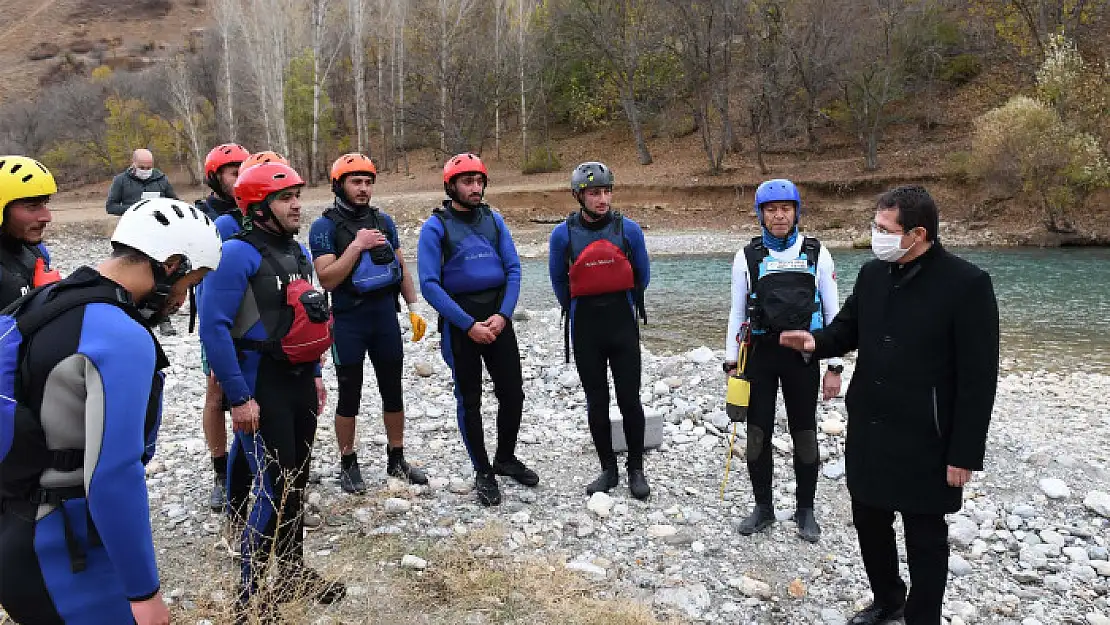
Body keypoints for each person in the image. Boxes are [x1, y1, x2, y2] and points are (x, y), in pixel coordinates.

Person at [778, 185, 999, 625]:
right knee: (870, 521)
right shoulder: (873, 274)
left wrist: (965, 453)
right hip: (871, 425)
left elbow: (979, 379)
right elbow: (847, 329)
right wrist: (815, 342)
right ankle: (888, 601)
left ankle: (921, 618)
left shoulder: (967, 284)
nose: (874, 235)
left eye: (883, 228)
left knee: (925, 537)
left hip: (929, 435)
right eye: (874, 225)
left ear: (917, 234)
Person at [0, 197, 221, 625]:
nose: (182, 299)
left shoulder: (47, 299)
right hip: (61, 550)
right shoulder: (120, 335)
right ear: (171, 264)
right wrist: (145, 593)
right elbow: (114, 476)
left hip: (17, 522)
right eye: (190, 283)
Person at [199, 162, 345, 620]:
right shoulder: (236, 254)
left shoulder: (297, 252)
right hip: (259, 383)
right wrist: (239, 398)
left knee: (297, 480)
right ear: (258, 206)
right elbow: (214, 330)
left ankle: (292, 573)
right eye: (286, 198)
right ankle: (248, 597)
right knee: (269, 486)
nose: (297, 204)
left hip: (298, 381)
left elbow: (309, 317)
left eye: (298, 195)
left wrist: (317, 371)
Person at [722, 178, 844, 543]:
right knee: (756, 435)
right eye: (771, 210)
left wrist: (835, 366)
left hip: (803, 357)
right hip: (759, 356)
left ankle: (805, 510)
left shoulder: (817, 253)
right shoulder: (748, 256)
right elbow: (736, 312)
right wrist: (732, 363)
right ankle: (763, 508)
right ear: (761, 214)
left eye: (785, 209)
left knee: (805, 435)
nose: (779, 216)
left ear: (796, 212)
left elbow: (834, 311)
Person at [417, 153, 537, 507]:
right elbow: (429, 284)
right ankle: (483, 470)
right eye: (467, 182)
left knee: (512, 393)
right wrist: (467, 324)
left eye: (479, 181)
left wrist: (503, 315)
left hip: (497, 319)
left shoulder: (494, 220)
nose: (475, 188)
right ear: (451, 186)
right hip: (461, 324)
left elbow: (513, 269)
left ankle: (505, 458)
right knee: (469, 399)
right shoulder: (435, 226)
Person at [309, 153, 430, 493]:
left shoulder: (385, 221)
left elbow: (401, 266)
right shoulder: (324, 227)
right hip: (348, 322)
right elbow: (327, 279)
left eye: (368, 182)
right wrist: (357, 247)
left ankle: (397, 458)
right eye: (355, 182)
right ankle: (348, 464)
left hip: (384, 319)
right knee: (350, 395)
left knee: (393, 391)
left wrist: (414, 307)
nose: (363, 189)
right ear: (339, 185)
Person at [548, 161, 651, 499]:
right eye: (594, 193)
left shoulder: (628, 230)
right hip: (586, 328)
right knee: (596, 400)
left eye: (606, 191)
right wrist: (581, 306)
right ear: (579, 195)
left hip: (622, 324)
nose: (602, 198)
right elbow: (559, 283)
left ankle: (636, 468)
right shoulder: (563, 234)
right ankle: (608, 468)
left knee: (630, 400)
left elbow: (642, 277)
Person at [194, 143, 253, 516]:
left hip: (253, 314)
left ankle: (249, 461)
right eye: (233, 172)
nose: (240, 178)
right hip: (217, 314)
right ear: (216, 178)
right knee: (217, 393)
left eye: (243, 171)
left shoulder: (257, 210)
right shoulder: (203, 218)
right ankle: (221, 471)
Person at [0, 156, 62, 309]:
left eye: (44, 204)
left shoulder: (37, 251)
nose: (47, 217)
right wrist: (40, 299)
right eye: (32, 207)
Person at [105, 149, 177, 216]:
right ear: (133, 163)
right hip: (133, 224)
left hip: (159, 224)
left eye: (149, 168)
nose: (145, 170)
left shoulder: (161, 179)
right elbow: (110, 207)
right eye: (141, 167)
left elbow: (175, 203)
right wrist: (136, 209)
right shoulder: (120, 180)